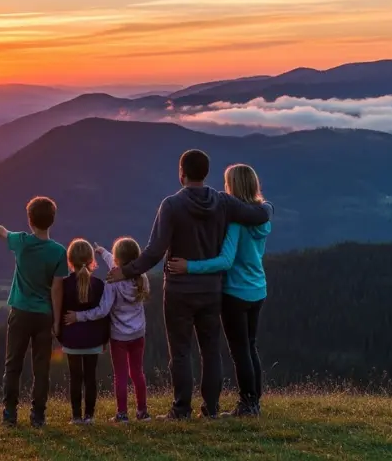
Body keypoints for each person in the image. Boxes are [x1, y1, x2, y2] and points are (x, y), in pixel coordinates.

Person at [107, 149, 273, 420]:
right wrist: (268, 206)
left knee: (181, 352)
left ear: (181, 173)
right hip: (212, 291)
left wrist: (125, 272)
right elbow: (260, 214)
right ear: (206, 173)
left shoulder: (171, 205)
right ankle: (211, 410)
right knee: (211, 351)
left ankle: (181, 409)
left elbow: (154, 251)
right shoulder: (223, 202)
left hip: (179, 291)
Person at [168, 164, 270, 417]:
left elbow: (225, 261)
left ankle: (247, 404)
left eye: (227, 183)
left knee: (240, 351)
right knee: (251, 345)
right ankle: (254, 400)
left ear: (233, 186)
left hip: (235, 291)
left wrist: (189, 266)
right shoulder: (263, 216)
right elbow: (268, 209)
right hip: (258, 288)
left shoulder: (237, 222)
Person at [0, 196, 69, 428]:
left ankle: (9, 414)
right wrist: (57, 322)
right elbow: (58, 290)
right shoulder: (59, 252)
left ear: (30, 221)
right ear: (52, 221)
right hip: (44, 316)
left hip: (20, 313)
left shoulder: (21, 242)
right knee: (41, 369)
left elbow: (0, 231)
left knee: (13, 365)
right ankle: (38, 416)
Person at [66, 237, 151, 423]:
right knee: (137, 372)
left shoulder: (112, 282)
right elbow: (120, 264)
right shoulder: (142, 278)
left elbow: (102, 310)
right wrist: (103, 252)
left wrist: (78, 316)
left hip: (119, 337)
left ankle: (122, 414)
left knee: (120, 374)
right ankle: (143, 411)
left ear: (118, 260)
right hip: (138, 334)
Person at [56, 239, 109, 425]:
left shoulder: (64, 284)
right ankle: (90, 416)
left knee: (75, 378)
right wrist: (104, 339)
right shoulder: (100, 285)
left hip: (71, 340)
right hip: (93, 340)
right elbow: (104, 315)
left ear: (70, 260)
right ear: (91, 259)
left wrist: (61, 335)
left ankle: (76, 416)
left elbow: (60, 312)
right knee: (90, 378)